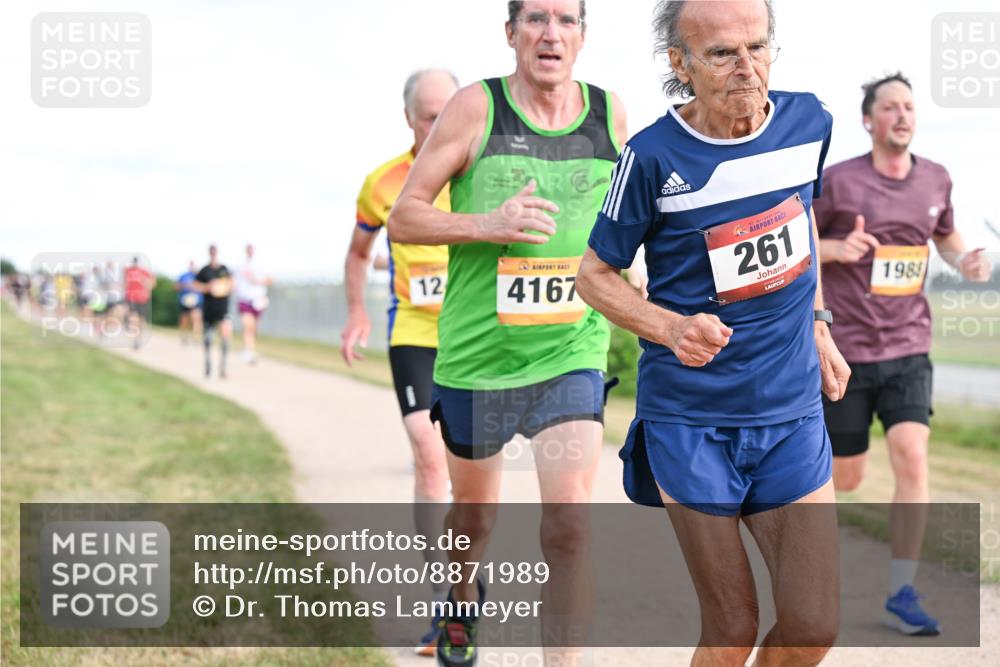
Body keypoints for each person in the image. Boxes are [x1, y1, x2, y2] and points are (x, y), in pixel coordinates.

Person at [575, 1, 851, 665]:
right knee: (731, 628)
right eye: (723, 53)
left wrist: (817, 321)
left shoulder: (809, 122)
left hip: (790, 411)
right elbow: (593, 276)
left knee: (813, 625)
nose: (747, 68)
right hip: (693, 420)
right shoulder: (649, 157)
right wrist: (670, 326)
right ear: (681, 63)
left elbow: (800, 214)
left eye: (757, 47)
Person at [389, 2, 628, 664]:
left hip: (570, 350)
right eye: (536, 19)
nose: (551, 34)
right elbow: (404, 218)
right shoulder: (474, 109)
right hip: (479, 360)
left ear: (582, 36)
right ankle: (462, 600)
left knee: (572, 523)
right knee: (474, 520)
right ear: (511, 33)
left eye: (567, 20)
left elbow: (630, 222)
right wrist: (486, 224)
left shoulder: (612, 116)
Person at [815, 72, 993, 637]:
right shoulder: (839, 182)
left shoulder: (937, 178)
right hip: (847, 350)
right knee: (844, 479)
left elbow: (945, 235)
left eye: (909, 107)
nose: (902, 115)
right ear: (869, 120)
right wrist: (837, 247)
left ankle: (902, 589)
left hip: (910, 344)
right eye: (890, 107)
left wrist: (965, 260)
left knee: (913, 455)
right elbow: (796, 241)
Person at [341, 67, 459, 657]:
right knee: (426, 450)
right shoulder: (382, 182)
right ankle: (444, 603)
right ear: (408, 118)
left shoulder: (478, 171)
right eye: (426, 116)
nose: (437, 126)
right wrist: (357, 312)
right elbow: (359, 252)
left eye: (447, 113)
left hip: (474, 335)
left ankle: (464, 576)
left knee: (467, 468)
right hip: (413, 329)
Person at [194, 245, 234, 379]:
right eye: (211, 252)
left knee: (225, 339)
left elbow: (231, 284)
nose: (213, 254)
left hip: (222, 308)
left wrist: (224, 287)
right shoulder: (204, 270)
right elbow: (196, 285)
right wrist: (208, 287)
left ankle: (223, 367)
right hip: (209, 308)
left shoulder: (224, 269)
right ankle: (208, 363)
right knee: (208, 339)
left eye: (215, 252)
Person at [234, 243, 273, 364]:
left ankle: (249, 348)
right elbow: (234, 282)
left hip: (258, 301)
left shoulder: (261, 265)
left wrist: (258, 281)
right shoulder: (240, 265)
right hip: (245, 300)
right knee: (248, 326)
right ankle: (249, 352)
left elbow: (270, 279)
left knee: (254, 329)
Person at [123, 257, 155, 350]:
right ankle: (135, 339)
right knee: (134, 317)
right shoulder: (127, 271)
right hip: (131, 298)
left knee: (141, 319)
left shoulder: (144, 272)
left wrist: (147, 285)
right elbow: (124, 283)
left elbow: (152, 283)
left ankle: (138, 339)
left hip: (142, 298)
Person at [176, 260, 204, 346]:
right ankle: (184, 336)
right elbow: (176, 286)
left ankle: (196, 338)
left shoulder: (200, 277)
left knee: (196, 318)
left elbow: (204, 287)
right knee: (184, 320)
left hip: (197, 301)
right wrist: (185, 286)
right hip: (185, 301)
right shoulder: (184, 276)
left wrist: (196, 287)